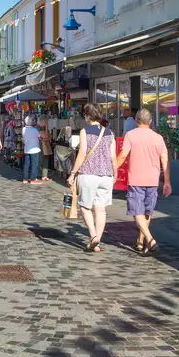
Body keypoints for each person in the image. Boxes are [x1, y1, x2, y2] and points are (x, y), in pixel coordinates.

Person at [114, 108, 171, 255]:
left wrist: (112, 169)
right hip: (152, 179)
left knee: (137, 211)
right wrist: (167, 181)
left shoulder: (131, 135)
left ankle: (149, 239)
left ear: (136, 121)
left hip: (136, 179)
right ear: (150, 122)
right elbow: (165, 159)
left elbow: (122, 155)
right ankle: (140, 240)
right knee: (147, 211)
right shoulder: (158, 138)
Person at [68, 103, 118, 253]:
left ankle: (93, 236)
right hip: (106, 175)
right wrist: (115, 173)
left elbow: (82, 153)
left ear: (88, 116)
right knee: (101, 210)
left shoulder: (85, 131)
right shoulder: (109, 132)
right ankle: (98, 240)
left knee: (85, 207)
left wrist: (73, 173)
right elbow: (113, 156)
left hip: (89, 174)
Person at [21, 116, 42, 184]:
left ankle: (25, 178)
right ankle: (33, 179)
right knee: (34, 164)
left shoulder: (23, 129)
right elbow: (40, 137)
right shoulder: (34, 130)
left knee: (26, 164)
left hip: (27, 149)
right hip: (34, 149)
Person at [38, 116, 53, 181]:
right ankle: (34, 174)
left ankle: (44, 175)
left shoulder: (46, 129)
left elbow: (49, 138)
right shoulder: (38, 128)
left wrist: (46, 130)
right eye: (46, 122)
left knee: (45, 161)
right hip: (41, 146)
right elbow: (44, 136)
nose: (47, 123)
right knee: (40, 160)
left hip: (46, 147)